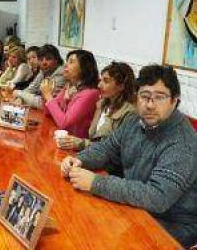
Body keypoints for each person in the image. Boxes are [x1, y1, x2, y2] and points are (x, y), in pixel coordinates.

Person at [60, 65, 197, 248]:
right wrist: (80, 159)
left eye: (159, 97)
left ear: (174, 101)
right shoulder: (134, 121)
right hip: (135, 208)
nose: (150, 105)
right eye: (145, 96)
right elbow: (106, 148)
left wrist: (96, 183)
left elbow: (157, 197)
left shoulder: (181, 142)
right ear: (136, 97)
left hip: (169, 226)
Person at [57, 61, 135, 149]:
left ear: (121, 86)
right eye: (100, 80)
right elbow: (92, 137)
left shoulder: (129, 113)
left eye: (106, 81)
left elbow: (114, 150)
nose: (99, 85)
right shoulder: (101, 104)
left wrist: (81, 143)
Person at [44, 49, 100, 138]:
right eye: (67, 61)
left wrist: (48, 96)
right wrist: (48, 94)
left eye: (71, 62)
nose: (65, 65)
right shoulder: (70, 86)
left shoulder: (90, 93)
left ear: (84, 68)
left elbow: (64, 123)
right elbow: (48, 112)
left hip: (76, 145)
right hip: (62, 139)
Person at [13, 44, 65, 109]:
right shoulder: (44, 71)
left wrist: (18, 93)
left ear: (56, 60)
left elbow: (46, 103)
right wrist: (21, 98)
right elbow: (31, 89)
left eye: (48, 59)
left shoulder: (61, 74)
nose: (44, 63)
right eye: (41, 59)